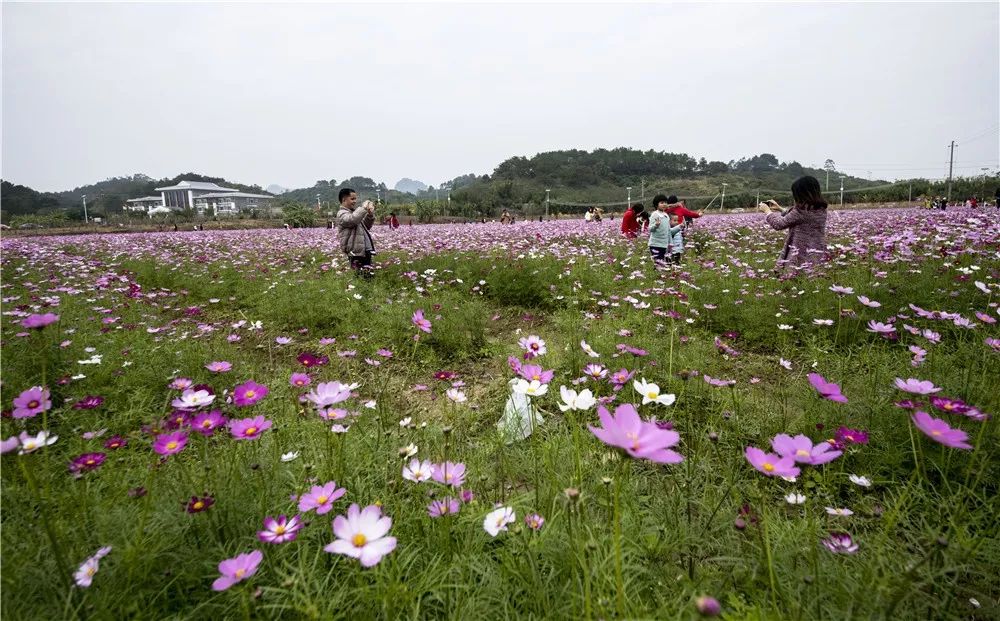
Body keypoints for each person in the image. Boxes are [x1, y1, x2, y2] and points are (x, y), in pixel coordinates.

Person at [758, 175, 829, 270]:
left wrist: (767, 211)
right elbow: (799, 218)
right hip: (817, 250)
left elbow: (779, 224)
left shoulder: (801, 211)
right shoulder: (820, 209)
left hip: (800, 253)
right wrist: (780, 209)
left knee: (796, 278)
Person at [336, 187, 376, 277]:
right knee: (360, 276)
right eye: (352, 199)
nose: (355, 201)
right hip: (355, 251)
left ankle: (367, 290)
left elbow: (367, 226)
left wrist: (369, 214)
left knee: (368, 276)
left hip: (364, 250)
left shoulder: (354, 213)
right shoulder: (342, 213)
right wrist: (363, 208)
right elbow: (352, 220)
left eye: (355, 199)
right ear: (344, 200)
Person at [648, 199, 682, 269]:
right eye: (662, 202)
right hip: (655, 244)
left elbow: (669, 231)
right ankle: (657, 278)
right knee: (658, 264)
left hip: (664, 245)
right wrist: (656, 225)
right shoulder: (654, 214)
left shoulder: (666, 215)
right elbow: (650, 229)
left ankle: (660, 277)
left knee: (663, 264)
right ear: (656, 204)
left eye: (665, 203)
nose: (664, 204)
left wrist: (679, 227)